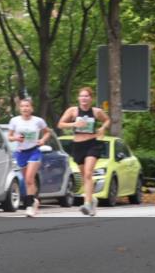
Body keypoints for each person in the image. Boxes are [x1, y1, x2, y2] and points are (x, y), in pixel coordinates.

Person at [57, 87, 110, 216]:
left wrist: (103, 128)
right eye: (82, 96)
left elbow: (107, 120)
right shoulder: (73, 111)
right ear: (78, 98)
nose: (84, 98)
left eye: (86, 96)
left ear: (91, 98)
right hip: (78, 146)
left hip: (92, 144)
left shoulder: (96, 112)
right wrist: (74, 124)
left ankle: (87, 204)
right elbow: (60, 124)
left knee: (88, 173)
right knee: (85, 176)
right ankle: (92, 200)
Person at [7, 98, 51, 217]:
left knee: (29, 179)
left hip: (34, 151)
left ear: (31, 108)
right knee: (28, 181)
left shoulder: (38, 121)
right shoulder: (14, 121)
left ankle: (29, 206)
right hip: (21, 152)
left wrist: (42, 140)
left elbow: (48, 132)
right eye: (22, 106)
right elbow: (9, 137)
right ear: (19, 108)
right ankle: (34, 200)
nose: (25, 108)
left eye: (27, 106)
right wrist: (16, 138)